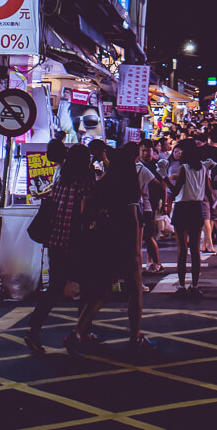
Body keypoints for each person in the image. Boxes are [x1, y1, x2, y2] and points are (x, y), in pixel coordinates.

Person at [68, 148, 154, 352]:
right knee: (134, 291)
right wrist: (135, 253)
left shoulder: (102, 184)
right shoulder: (129, 186)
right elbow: (133, 221)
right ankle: (135, 337)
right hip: (125, 244)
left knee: (101, 291)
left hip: (103, 244)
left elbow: (88, 215)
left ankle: (77, 332)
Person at [24, 145, 93, 355]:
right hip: (75, 245)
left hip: (56, 243)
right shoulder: (85, 183)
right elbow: (84, 215)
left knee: (53, 290)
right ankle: (81, 333)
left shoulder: (61, 180)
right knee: (89, 289)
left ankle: (34, 331)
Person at [171, 137, 211, 296]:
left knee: (182, 249)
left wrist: (167, 183)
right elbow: (208, 190)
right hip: (196, 207)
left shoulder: (184, 169)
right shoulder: (203, 169)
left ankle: (181, 286)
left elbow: (176, 191)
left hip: (182, 207)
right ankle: (194, 286)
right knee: (195, 250)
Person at [136, 141, 164, 273]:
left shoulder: (155, 166)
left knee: (149, 234)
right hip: (140, 205)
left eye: (148, 151)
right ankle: (150, 261)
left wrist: (163, 203)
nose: (146, 153)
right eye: (143, 151)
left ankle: (155, 262)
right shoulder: (137, 165)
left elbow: (162, 184)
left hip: (151, 204)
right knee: (146, 235)